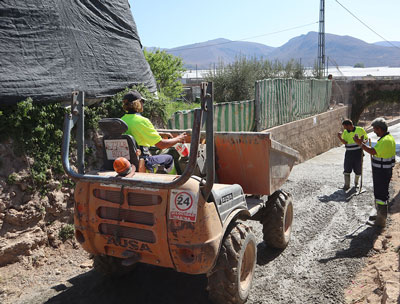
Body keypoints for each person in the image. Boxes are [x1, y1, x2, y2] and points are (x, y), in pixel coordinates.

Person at [120, 90, 187, 173]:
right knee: (169, 158)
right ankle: (171, 184)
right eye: (142, 102)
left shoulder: (121, 120)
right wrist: (179, 138)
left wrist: (160, 134)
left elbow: (136, 133)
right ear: (138, 103)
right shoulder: (142, 121)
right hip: (142, 161)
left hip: (127, 161)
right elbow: (161, 145)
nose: (143, 104)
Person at [353, 117, 396, 227]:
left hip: (381, 172)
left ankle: (380, 221)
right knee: (382, 194)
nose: (374, 132)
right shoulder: (388, 138)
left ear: (379, 129)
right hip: (385, 171)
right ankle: (380, 216)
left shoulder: (385, 140)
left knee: (380, 195)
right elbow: (379, 151)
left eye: (375, 130)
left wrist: (360, 144)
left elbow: (373, 151)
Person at [337, 119, 368, 190]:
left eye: (345, 127)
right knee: (347, 169)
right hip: (349, 153)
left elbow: (366, 139)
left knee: (358, 169)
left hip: (358, 152)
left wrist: (362, 142)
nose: (344, 129)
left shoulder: (360, 130)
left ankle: (356, 184)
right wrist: (340, 138)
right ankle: (346, 185)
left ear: (350, 125)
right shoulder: (345, 132)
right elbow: (345, 142)